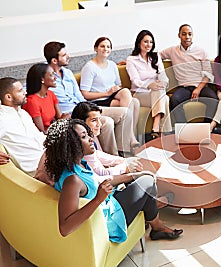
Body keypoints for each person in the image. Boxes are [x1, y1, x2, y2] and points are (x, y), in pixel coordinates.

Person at [44, 119, 183, 242]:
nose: (91, 139)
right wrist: (98, 199)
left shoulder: (78, 165)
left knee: (141, 179)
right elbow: (65, 228)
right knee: (147, 182)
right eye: (84, 137)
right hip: (109, 221)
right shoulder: (72, 180)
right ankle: (155, 222)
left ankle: (156, 224)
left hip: (108, 202)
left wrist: (133, 176)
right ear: (71, 145)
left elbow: (101, 181)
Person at [71, 101, 173, 208]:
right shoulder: (82, 146)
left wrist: (124, 161)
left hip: (104, 186)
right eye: (93, 120)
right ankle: (150, 207)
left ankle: (150, 207)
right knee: (143, 178)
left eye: (99, 120)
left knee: (136, 171)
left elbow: (99, 155)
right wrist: (125, 168)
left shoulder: (90, 139)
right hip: (103, 195)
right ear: (80, 123)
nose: (99, 125)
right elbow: (100, 174)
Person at [44, 41, 138, 156]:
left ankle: (123, 150)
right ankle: (113, 157)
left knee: (125, 112)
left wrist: (88, 108)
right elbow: (31, 89)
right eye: (64, 55)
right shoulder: (46, 78)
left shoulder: (68, 73)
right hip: (71, 115)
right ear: (54, 60)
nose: (68, 56)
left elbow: (78, 94)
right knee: (107, 122)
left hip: (82, 108)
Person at [159, 24, 218, 123]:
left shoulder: (202, 51)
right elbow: (156, 56)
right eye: (184, 34)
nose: (187, 37)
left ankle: (206, 127)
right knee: (174, 100)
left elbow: (208, 74)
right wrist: (135, 59)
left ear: (192, 35)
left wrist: (198, 89)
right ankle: (184, 129)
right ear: (179, 35)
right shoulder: (172, 50)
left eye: (189, 34)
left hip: (200, 87)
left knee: (213, 100)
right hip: (184, 88)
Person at [126, 30, 172, 139]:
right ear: (139, 43)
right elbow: (135, 80)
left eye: (151, 42)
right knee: (164, 98)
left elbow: (163, 76)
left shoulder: (156, 57)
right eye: (146, 41)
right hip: (140, 94)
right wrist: (149, 85)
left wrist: (163, 83)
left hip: (155, 93)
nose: (149, 45)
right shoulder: (131, 60)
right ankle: (164, 132)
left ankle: (155, 129)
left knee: (162, 95)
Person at [0, 77, 45, 176]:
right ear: (8, 97)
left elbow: (39, 138)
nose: (25, 92)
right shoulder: (2, 118)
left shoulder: (23, 113)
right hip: (36, 170)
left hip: (47, 158)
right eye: (20, 91)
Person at [23, 63, 70, 133]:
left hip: (56, 131)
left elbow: (59, 117)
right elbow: (41, 131)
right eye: (51, 75)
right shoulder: (32, 102)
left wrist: (65, 117)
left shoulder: (51, 94)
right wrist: (62, 121)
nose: (55, 78)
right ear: (42, 79)